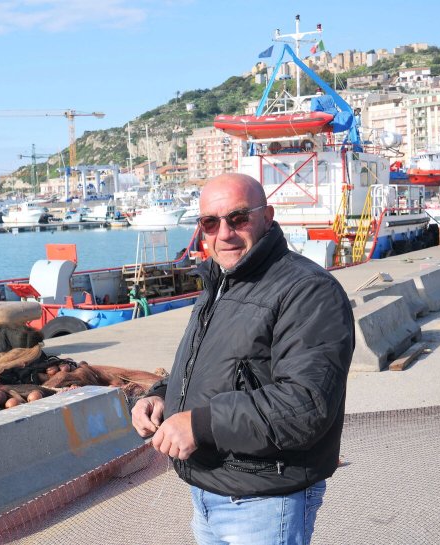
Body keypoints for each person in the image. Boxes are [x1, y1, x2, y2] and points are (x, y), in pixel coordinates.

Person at [131, 173, 354, 545]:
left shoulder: (308, 291)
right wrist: (159, 397)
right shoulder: (220, 282)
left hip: (264, 500)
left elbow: (306, 405)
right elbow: (213, 370)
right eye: (210, 222)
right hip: (209, 491)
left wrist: (200, 425)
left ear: (267, 216)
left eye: (238, 218)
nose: (224, 233)